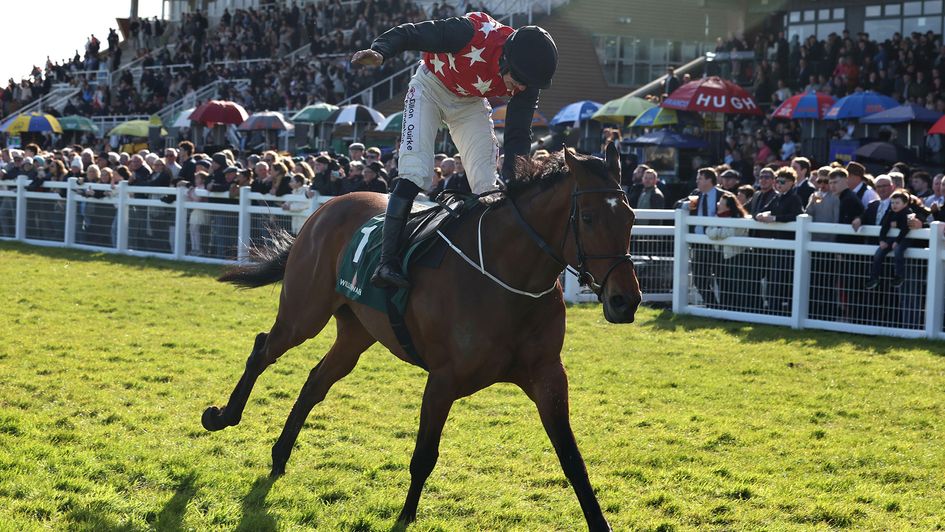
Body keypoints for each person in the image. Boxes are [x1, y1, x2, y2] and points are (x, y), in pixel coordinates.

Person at [353, 11, 558, 288]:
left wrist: (516, 181)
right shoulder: (469, 32)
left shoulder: (528, 78)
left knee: (488, 186)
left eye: (527, 84)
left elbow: (518, 136)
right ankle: (386, 262)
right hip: (429, 87)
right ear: (507, 59)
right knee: (415, 172)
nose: (521, 88)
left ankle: (490, 264)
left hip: (469, 102)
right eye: (519, 79)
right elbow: (411, 33)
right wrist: (380, 51)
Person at [705, 191, 750, 310]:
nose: (718, 204)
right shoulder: (716, 217)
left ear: (728, 206)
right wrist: (718, 234)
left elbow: (730, 233)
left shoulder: (739, 219)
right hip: (719, 256)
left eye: (721, 203)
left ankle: (737, 311)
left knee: (734, 285)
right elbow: (708, 231)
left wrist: (716, 234)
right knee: (722, 284)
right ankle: (725, 310)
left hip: (734, 256)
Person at [866, 190, 912, 289]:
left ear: (905, 204)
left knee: (898, 251)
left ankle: (899, 276)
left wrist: (897, 241)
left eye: (897, 203)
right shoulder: (890, 212)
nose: (894, 205)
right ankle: (874, 277)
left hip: (904, 239)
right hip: (892, 239)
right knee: (879, 253)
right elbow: (885, 227)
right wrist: (881, 240)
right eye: (892, 203)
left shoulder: (908, 213)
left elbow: (905, 229)